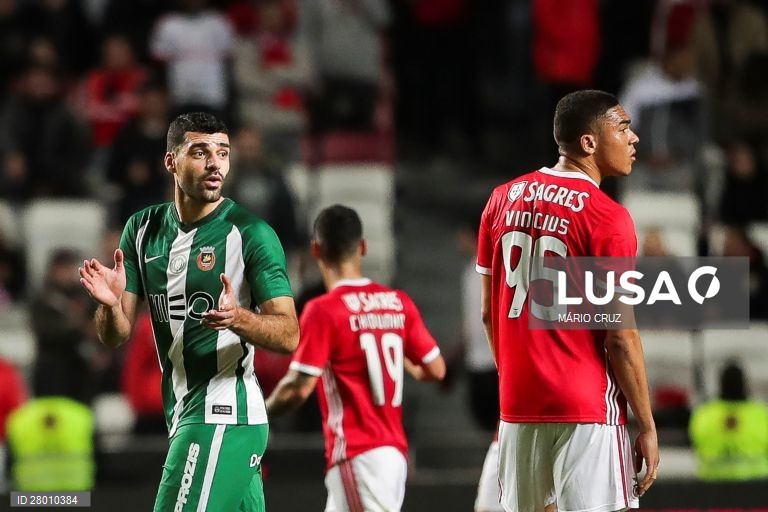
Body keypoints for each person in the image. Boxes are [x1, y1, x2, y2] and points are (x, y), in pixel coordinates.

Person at [78, 112, 299, 511]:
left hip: (222, 414)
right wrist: (109, 306)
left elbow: (289, 335)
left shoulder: (250, 234)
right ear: (171, 161)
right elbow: (115, 335)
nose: (215, 163)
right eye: (200, 152)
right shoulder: (141, 230)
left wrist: (240, 318)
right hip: (181, 412)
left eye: (223, 153)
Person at [477, 89, 659, 512]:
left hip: (518, 406)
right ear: (589, 142)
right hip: (586, 407)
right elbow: (620, 337)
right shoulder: (606, 216)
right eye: (624, 127)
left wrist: (522, 377)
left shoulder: (501, 200)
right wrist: (647, 423)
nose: (633, 138)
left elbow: (490, 315)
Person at [265, 204, 446, 511]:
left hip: (358, 452)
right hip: (393, 453)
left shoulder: (325, 310)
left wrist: (259, 412)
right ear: (362, 247)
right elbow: (436, 369)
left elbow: (298, 387)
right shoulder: (396, 302)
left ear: (315, 250)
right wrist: (402, 363)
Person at [689, 361, 768, 480]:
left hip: (711, 487)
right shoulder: (761, 415)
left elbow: (695, 443)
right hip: (756, 487)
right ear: (744, 384)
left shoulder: (704, 415)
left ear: (720, 384)